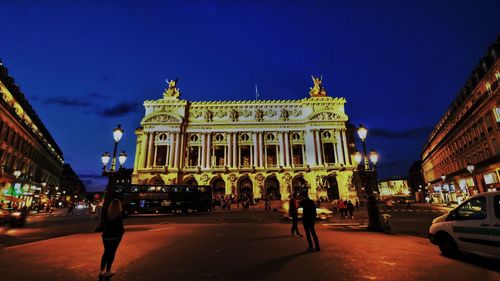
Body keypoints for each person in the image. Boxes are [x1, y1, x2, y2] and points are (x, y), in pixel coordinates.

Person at [97, 199, 125, 278]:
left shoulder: (106, 213)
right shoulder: (120, 214)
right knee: (112, 253)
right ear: (119, 206)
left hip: (106, 236)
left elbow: (102, 222)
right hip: (116, 237)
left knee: (106, 252)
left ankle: (102, 271)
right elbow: (121, 225)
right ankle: (108, 271)